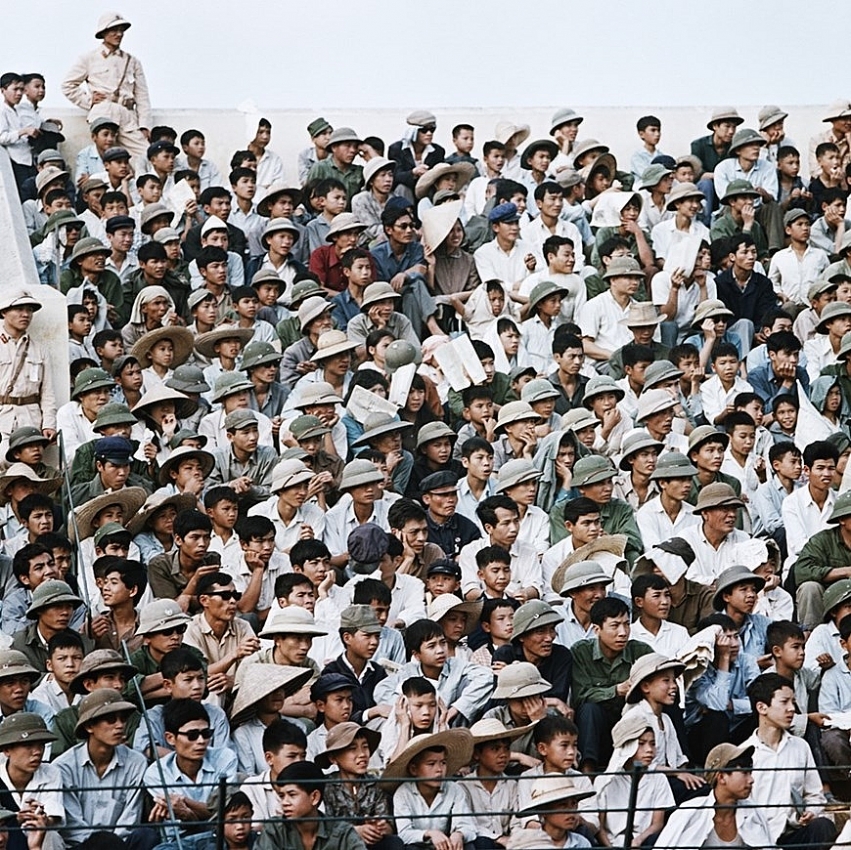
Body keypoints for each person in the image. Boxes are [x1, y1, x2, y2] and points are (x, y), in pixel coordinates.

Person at [745, 673, 836, 850]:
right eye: (784, 702)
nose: (792, 708)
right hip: (758, 839)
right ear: (762, 707)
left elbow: (814, 794)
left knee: (823, 826)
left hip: (793, 834)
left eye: (793, 702)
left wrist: (810, 811)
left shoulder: (800, 747)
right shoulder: (747, 753)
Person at [55, 688, 155, 850]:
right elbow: (73, 826)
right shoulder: (64, 766)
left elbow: (130, 817)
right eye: (110, 720)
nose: (120, 726)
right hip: (82, 846)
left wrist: (113, 845)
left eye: (122, 719)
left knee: (146, 835)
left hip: (121, 844)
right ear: (89, 726)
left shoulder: (136, 762)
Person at [61, 13, 151, 160]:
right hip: (104, 112)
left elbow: (142, 96)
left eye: (121, 30)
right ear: (103, 33)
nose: (119, 34)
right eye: (114, 30)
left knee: (145, 156)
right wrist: (89, 101)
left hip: (127, 116)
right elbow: (68, 85)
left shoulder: (132, 61)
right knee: (105, 158)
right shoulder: (89, 58)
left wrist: (145, 125)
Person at [654, 742, 773, 849]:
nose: (751, 780)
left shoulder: (754, 813)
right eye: (744, 773)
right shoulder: (689, 813)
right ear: (721, 777)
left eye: (750, 773)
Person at [256, 760, 368, 850]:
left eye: (292, 794)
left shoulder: (343, 834)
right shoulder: (274, 831)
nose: (285, 802)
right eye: (282, 796)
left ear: (314, 797)